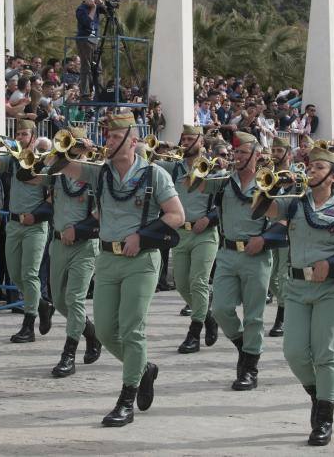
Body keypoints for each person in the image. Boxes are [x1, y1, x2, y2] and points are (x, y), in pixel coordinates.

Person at [58, 113, 184, 427]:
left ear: (133, 140)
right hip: (107, 258)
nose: (108, 141)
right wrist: (74, 145)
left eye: (115, 137)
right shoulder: (99, 173)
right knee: (103, 331)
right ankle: (143, 370)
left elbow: (176, 215)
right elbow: (60, 164)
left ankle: (126, 399)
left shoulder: (154, 174)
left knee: (131, 329)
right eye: (107, 136)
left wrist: (142, 235)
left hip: (140, 261)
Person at [255, 147, 334, 446]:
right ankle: (319, 397)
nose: (312, 171)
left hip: (331, 288)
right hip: (295, 287)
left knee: (323, 353)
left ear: (332, 177)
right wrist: (275, 186)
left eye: (319, 167)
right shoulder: (293, 204)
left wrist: (331, 264)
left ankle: (323, 418)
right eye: (310, 166)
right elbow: (260, 209)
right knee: (293, 352)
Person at [200, 132, 273, 390]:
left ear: (257, 155)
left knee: (254, 316)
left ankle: (249, 369)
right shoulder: (224, 182)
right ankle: (245, 346)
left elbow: (283, 221)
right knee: (220, 309)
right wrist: (204, 164)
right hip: (228, 253)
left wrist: (264, 240)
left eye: (243, 152)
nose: (238, 156)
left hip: (257, 255)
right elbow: (195, 184)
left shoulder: (268, 183)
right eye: (236, 152)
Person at [0, 119, 55, 342]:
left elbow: (52, 197)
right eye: (17, 134)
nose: (20, 138)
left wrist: (36, 215)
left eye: (24, 134)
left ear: (33, 136)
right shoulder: (12, 161)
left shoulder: (44, 162)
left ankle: (29, 324)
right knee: (17, 275)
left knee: (30, 274)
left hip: (35, 226)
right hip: (13, 223)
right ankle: (41, 305)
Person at [33, 127, 102, 377]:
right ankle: (91, 333)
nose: (71, 148)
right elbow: (26, 175)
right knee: (60, 301)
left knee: (74, 299)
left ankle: (68, 353)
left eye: (75, 144)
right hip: (59, 243)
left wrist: (80, 230)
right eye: (68, 143)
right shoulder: (57, 171)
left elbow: (103, 211)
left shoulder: (95, 171)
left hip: (84, 246)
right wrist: (50, 156)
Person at [155, 125, 219, 354]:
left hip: (205, 234)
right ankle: (209, 317)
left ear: (202, 142)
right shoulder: (173, 168)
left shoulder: (213, 168)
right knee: (182, 284)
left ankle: (194, 332)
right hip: (181, 233)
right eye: (184, 138)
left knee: (198, 281)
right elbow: (146, 160)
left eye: (192, 138)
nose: (187, 142)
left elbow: (224, 202)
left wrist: (210, 218)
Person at [266, 136, 293, 337]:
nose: (274, 154)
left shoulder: (297, 176)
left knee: (283, 276)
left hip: (287, 232)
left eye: (278, 151)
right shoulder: (267, 175)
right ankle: (289, 304)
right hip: (268, 230)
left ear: (288, 155)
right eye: (273, 150)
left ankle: (282, 316)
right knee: (269, 277)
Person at [75, 0, 103, 100]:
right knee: (86, 67)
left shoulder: (97, 7)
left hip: (95, 41)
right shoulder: (81, 9)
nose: (99, 0)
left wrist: (103, 5)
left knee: (98, 68)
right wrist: (94, 8)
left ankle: (100, 93)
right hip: (84, 40)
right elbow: (87, 22)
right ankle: (85, 93)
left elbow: (107, 12)